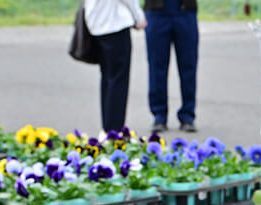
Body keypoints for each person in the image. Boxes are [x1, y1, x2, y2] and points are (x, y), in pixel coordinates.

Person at [84, 0, 147, 133]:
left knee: (107, 78)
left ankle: (107, 126)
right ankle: (114, 130)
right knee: (118, 80)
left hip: (96, 23)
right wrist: (139, 17)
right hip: (114, 23)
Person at [144, 0, 199, 133]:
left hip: (185, 10)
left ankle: (187, 115)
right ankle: (159, 115)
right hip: (157, 12)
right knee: (157, 67)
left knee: (188, 66)